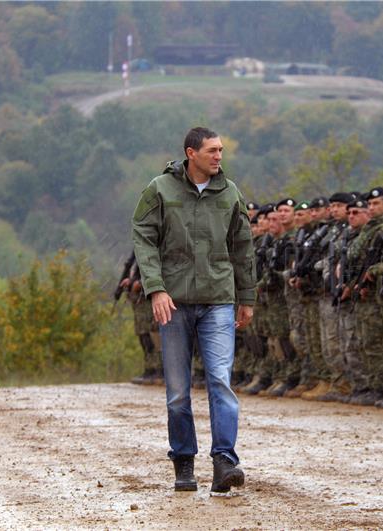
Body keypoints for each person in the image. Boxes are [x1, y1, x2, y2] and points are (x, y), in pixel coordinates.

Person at [131, 127, 255, 493]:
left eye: (221, 150)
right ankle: (183, 460)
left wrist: (247, 297)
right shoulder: (160, 190)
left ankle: (224, 461)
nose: (219, 156)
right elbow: (144, 238)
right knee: (178, 391)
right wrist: (155, 288)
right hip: (174, 302)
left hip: (218, 299)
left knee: (220, 380)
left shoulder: (229, 192)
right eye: (212, 150)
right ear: (191, 153)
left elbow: (243, 247)